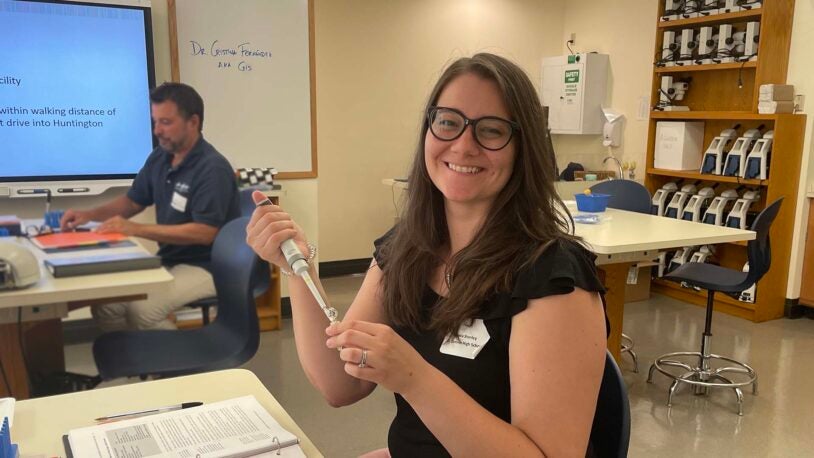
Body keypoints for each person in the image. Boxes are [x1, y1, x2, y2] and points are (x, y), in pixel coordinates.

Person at [247, 53, 608, 457]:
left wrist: (414, 378)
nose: (464, 145)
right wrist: (299, 270)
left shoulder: (552, 276)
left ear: (524, 149)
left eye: (491, 131)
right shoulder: (409, 247)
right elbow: (340, 385)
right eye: (449, 122)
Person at [61, 82, 240, 331]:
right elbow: (133, 201)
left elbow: (205, 232)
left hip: (208, 266)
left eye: (166, 122)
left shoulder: (212, 169)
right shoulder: (160, 157)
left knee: (143, 311)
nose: (157, 130)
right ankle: (128, 367)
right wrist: (88, 215)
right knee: (107, 306)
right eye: (155, 122)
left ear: (193, 122)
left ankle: (183, 370)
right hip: (169, 259)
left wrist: (135, 229)